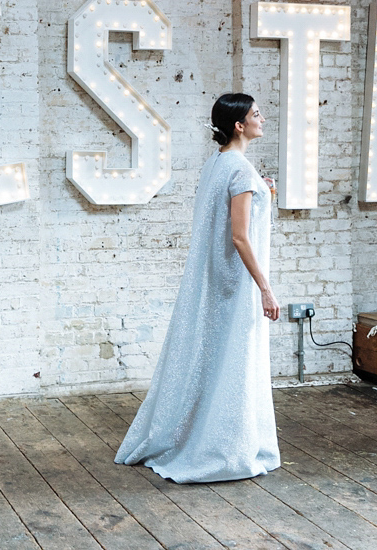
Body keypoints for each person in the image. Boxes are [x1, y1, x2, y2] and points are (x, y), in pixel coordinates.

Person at [114, 92, 281, 483]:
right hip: (235, 284)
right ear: (239, 125)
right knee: (234, 360)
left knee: (214, 359)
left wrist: (261, 189)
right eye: (256, 114)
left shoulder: (218, 164)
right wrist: (266, 289)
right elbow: (240, 238)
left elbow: (228, 211)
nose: (262, 118)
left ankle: (194, 433)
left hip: (214, 279)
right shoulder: (240, 171)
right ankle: (224, 446)